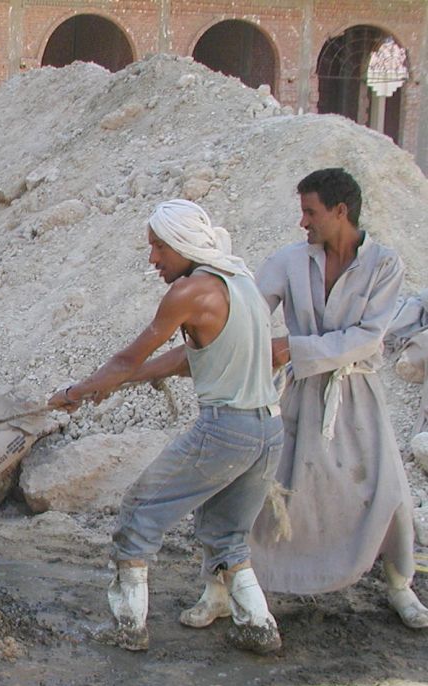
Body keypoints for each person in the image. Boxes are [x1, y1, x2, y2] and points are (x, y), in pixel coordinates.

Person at [183, 169, 428, 630]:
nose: (303, 222)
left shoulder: (384, 265)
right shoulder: (290, 260)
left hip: (355, 394)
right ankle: (217, 587)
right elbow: (251, 311)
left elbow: (368, 338)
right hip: (295, 395)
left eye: (310, 212)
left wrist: (293, 348)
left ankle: (400, 585)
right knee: (252, 485)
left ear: (340, 211)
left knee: (387, 490)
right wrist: (211, 327)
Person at [49, 199, 284, 654]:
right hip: (268, 431)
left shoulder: (189, 292)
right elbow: (187, 359)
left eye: (158, 247)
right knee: (228, 536)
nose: (153, 258)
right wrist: (117, 384)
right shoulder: (241, 282)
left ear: (181, 243)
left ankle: (129, 627)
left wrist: (78, 391)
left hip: (226, 429)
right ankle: (258, 627)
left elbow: (126, 357)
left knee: (140, 511)